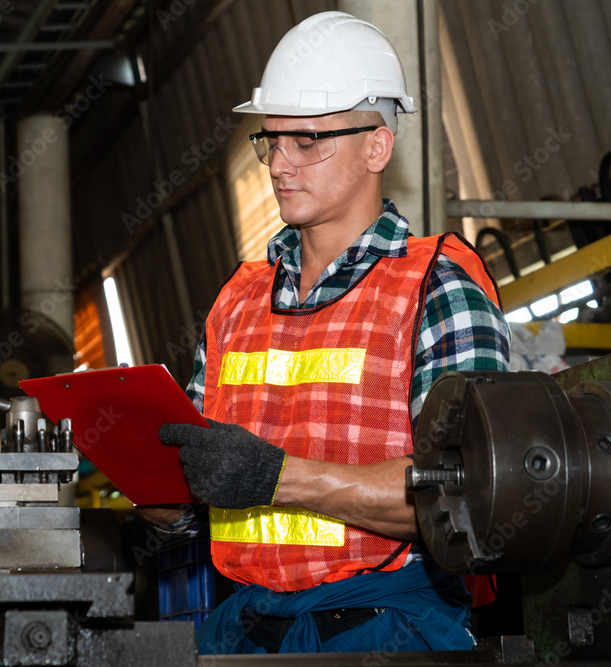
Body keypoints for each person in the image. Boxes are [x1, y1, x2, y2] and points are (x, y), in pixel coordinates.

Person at [144, 11, 511, 655]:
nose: (279, 163)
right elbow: (192, 506)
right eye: (270, 140)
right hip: (244, 632)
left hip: (390, 630)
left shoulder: (437, 286)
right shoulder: (237, 301)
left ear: (377, 145)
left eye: (307, 141)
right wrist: (149, 480)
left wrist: (275, 477)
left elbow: (468, 489)